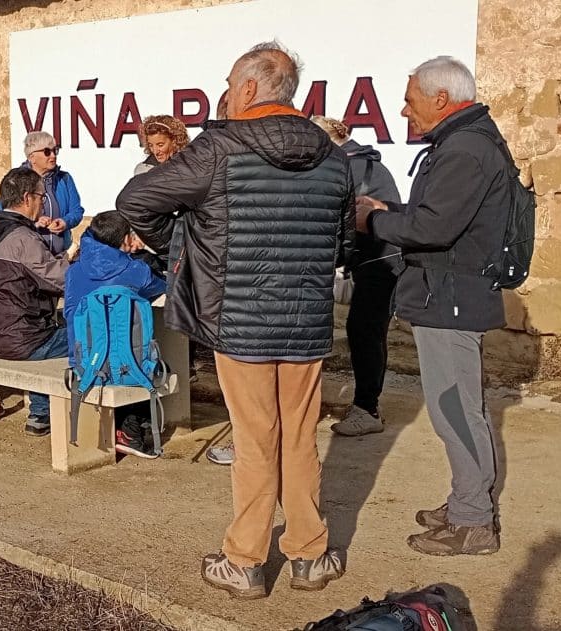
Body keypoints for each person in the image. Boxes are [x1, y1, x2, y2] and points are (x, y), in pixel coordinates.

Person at [117, 41, 352, 599]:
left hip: (240, 318)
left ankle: (245, 560)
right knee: (299, 438)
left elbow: (135, 201)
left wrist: (180, 242)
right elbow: (340, 242)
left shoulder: (218, 148)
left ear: (248, 88)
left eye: (227, 83)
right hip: (307, 320)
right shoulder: (334, 155)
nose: (223, 92)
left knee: (254, 440)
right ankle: (310, 555)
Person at [357, 56, 509, 557]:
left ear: (440, 99)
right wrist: (392, 213)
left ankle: (472, 521)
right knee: (461, 407)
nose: (403, 112)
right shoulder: (465, 143)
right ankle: (467, 499)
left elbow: (433, 230)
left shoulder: (464, 149)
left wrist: (373, 222)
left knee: (455, 410)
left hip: (451, 300)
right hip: (449, 295)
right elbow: (435, 219)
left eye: (409, 100)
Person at [311, 115, 404, 436]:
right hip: (382, 258)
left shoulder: (345, 167)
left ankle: (368, 409)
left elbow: (338, 224)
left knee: (364, 332)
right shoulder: (365, 163)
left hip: (378, 259)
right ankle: (366, 405)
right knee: (367, 331)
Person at [0, 167, 69, 436]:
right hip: (20, 338)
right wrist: (75, 262)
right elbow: (61, 281)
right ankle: (86, 416)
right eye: (41, 196)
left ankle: (40, 415)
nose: (42, 202)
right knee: (90, 335)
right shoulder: (22, 239)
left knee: (43, 330)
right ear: (27, 198)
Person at [62, 210, 167, 458]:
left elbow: (69, 312)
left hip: (83, 363)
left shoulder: (73, 272)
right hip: (122, 366)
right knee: (141, 358)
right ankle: (130, 431)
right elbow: (163, 287)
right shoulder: (135, 271)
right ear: (124, 239)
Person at [17, 131, 84, 255]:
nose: (53, 155)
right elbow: (7, 216)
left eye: (55, 150)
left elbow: (77, 211)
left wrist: (64, 222)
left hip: (61, 255)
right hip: (30, 256)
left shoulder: (64, 179)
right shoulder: (16, 180)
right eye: (47, 152)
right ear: (32, 157)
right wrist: (34, 224)